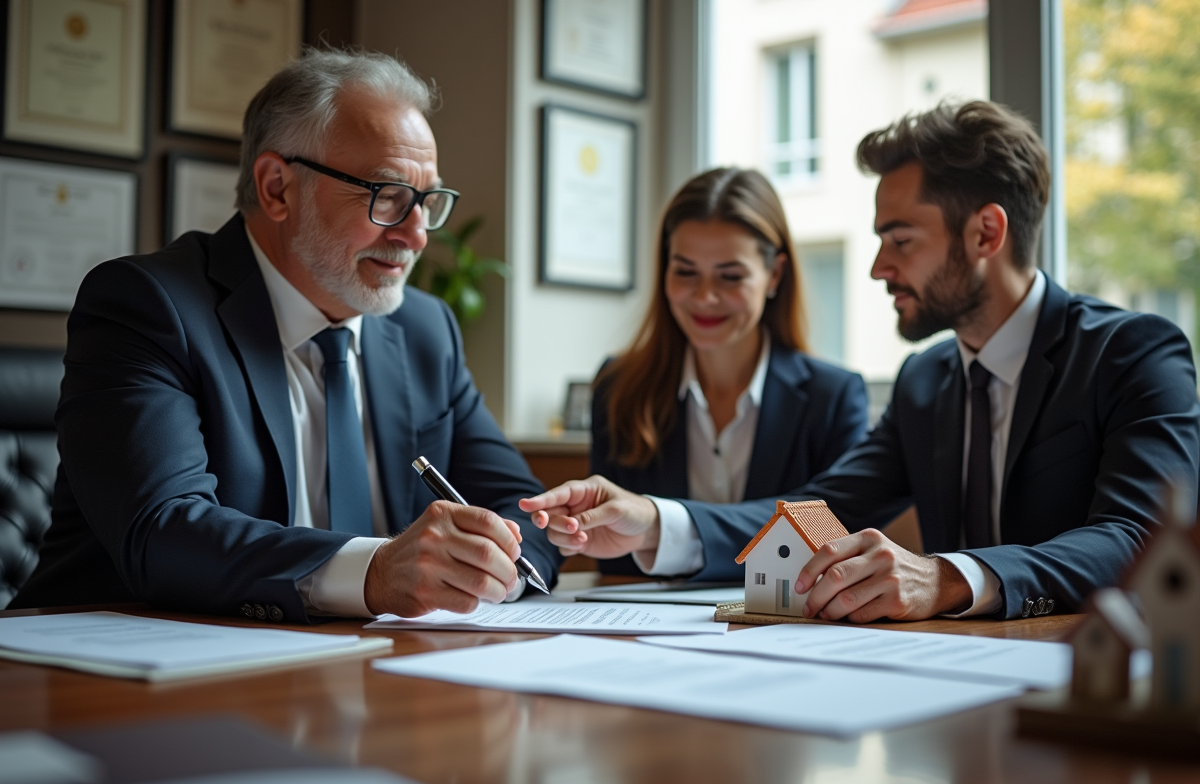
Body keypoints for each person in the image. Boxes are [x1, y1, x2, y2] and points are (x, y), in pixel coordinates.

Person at [521, 100, 1200, 621]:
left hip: (1096, 685)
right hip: (957, 685)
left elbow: (1138, 538)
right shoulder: (927, 381)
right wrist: (656, 521)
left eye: (899, 239)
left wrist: (947, 576)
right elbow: (824, 512)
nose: (879, 267)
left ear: (986, 232)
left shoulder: (1134, 353)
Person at [12, 49, 560, 621]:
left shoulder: (424, 329)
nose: (417, 236)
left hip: (355, 670)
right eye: (388, 196)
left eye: (426, 201)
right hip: (108, 673)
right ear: (277, 188)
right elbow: (163, 529)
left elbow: (526, 512)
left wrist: (492, 567)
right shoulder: (149, 305)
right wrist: (373, 573)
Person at [584, 168, 867, 578]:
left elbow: (833, 536)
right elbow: (613, 555)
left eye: (730, 276)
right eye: (685, 272)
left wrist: (666, 526)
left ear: (774, 275)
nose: (704, 297)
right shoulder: (619, 387)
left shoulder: (833, 396)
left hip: (786, 626)